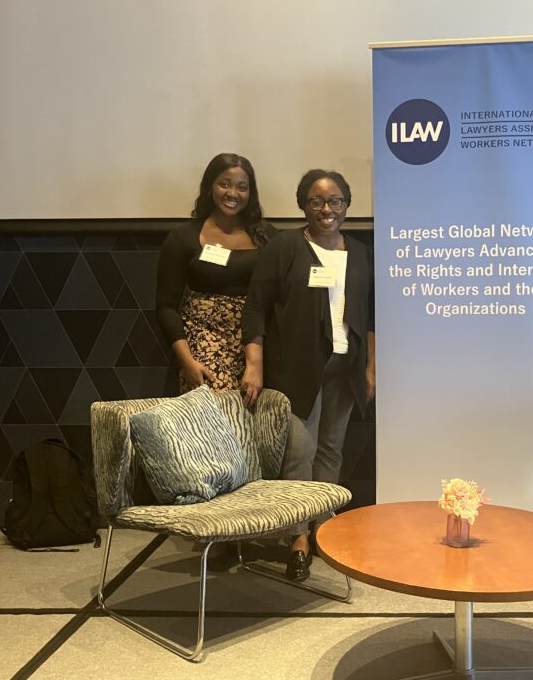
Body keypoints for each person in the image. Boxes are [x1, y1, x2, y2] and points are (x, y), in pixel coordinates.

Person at [242, 169, 376, 582]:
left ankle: (323, 527)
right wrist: (254, 365)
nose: (327, 209)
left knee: (331, 450)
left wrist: (370, 366)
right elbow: (256, 308)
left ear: (347, 206)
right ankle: (297, 538)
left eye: (335, 201)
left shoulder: (359, 251)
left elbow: (371, 314)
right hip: (297, 367)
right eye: (317, 201)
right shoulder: (285, 247)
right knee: (299, 452)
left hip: (345, 367)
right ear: (303, 205)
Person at [156, 153, 276, 394]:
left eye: (242, 187)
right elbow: (166, 306)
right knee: (211, 424)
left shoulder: (267, 236)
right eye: (225, 184)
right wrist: (186, 361)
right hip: (202, 345)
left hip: (257, 345)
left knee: (252, 424)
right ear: (210, 187)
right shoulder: (183, 237)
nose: (233, 193)